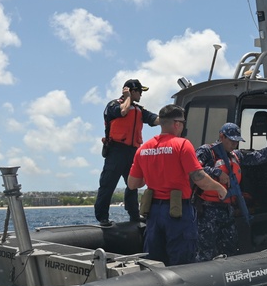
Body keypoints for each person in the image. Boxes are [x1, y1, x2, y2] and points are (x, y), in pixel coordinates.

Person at [127, 104, 228, 265]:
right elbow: (198, 177)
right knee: (182, 263)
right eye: (182, 123)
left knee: (154, 262)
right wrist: (219, 188)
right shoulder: (182, 145)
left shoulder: (143, 149)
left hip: (153, 214)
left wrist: (152, 173)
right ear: (176, 124)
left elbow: (133, 184)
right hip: (177, 213)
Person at [195, 123, 267, 260]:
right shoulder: (207, 152)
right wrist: (216, 172)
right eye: (231, 140)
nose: (234, 144)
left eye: (237, 141)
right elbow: (194, 169)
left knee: (231, 249)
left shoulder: (236, 155)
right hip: (208, 211)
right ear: (221, 136)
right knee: (205, 251)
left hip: (227, 210)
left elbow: (260, 156)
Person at [94, 79, 160, 226]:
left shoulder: (139, 110)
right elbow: (122, 111)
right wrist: (127, 97)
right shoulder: (114, 105)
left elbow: (154, 119)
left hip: (132, 152)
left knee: (133, 185)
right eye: (140, 92)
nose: (141, 95)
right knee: (108, 184)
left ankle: (134, 215)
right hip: (116, 150)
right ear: (132, 91)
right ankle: (102, 217)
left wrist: (171, 118)